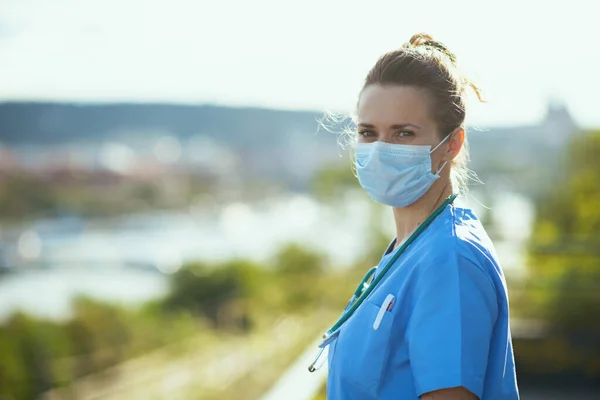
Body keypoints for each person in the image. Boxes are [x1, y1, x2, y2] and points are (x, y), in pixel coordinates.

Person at [321, 33, 520, 399]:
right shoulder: (409, 250)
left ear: (452, 144)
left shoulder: (450, 260)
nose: (381, 149)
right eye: (368, 132)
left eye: (404, 134)